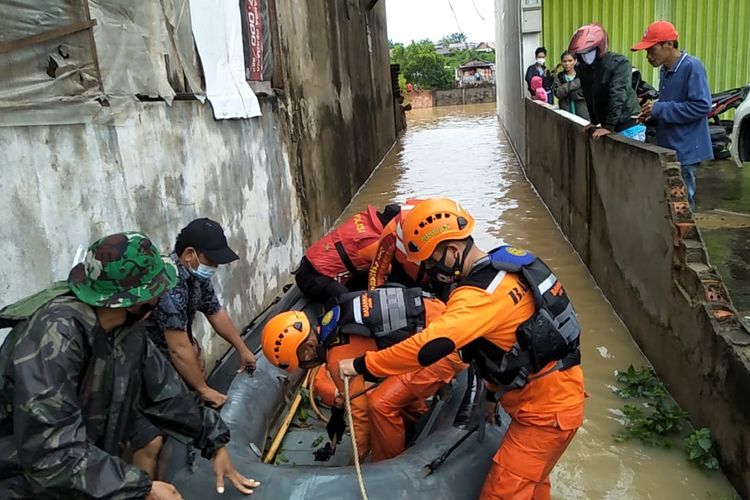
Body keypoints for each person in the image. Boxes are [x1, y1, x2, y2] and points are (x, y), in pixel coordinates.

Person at [339, 198, 585, 500]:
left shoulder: (479, 296)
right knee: (534, 485)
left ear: (453, 250)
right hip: (554, 396)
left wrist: (363, 365)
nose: (429, 272)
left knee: (500, 493)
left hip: (545, 414)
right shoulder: (507, 265)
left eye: (430, 262)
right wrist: (493, 394)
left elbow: (429, 346)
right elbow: (513, 343)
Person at [0, 232, 260, 499]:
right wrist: (142, 488)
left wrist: (214, 439)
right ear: (134, 301)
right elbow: (51, 453)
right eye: (156, 291)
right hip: (24, 484)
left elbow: (166, 394)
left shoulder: (127, 331)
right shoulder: (53, 337)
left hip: (80, 474)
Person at [261, 286, 465, 462]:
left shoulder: (338, 359)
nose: (305, 366)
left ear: (307, 349)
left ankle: (389, 465)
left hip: (443, 350)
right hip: (442, 318)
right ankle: (414, 423)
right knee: (389, 386)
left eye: (302, 362)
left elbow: (361, 417)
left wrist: (356, 462)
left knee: (380, 404)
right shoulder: (335, 317)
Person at [146, 218, 256, 409]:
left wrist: (242, 348)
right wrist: (203, 389)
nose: (214, 267)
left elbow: (215, 311)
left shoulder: (196, 274)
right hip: (154, 362)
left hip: (179, 350)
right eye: (211, 261)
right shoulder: (169, 283)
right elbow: (178, 349)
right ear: (190, 254)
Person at [633, 20, 712, 210]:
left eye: (652, 50)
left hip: (685, 149)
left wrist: (660, 109)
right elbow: (673, 104)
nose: (648, 56)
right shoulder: (665, 70)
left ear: (669, 44)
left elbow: (702, 106)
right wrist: (652, 114)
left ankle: (684, 239)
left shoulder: (692, 67)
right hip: (669, 146)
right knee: (669, 203)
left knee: (682, 205)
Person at [294, 204, 401, 303]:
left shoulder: (363, 218)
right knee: (347, 301)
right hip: (313, 277)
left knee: (368, 271)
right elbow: (389, 270)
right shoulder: (371, 243)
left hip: (308, 264)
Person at [568, 24, 642, 140]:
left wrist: (609, 126)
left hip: (628, 125)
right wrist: (594, 121)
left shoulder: (620, 63)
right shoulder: (584, 69)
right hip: (606, 126)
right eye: (582, 54)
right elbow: (589, 95)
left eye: (589, 51)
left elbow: (617, 93)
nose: (585, 57)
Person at [553, 50, 590, 120]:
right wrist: (577, 83)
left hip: (583, 114)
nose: (567, 63)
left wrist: (565, 90)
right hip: (566, 115)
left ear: (575, 61)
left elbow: (587, 92)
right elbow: (558, 93)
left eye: (570, 61)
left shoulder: (583, 75)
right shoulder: (559, 77)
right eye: (564, 61)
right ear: (561, 62)